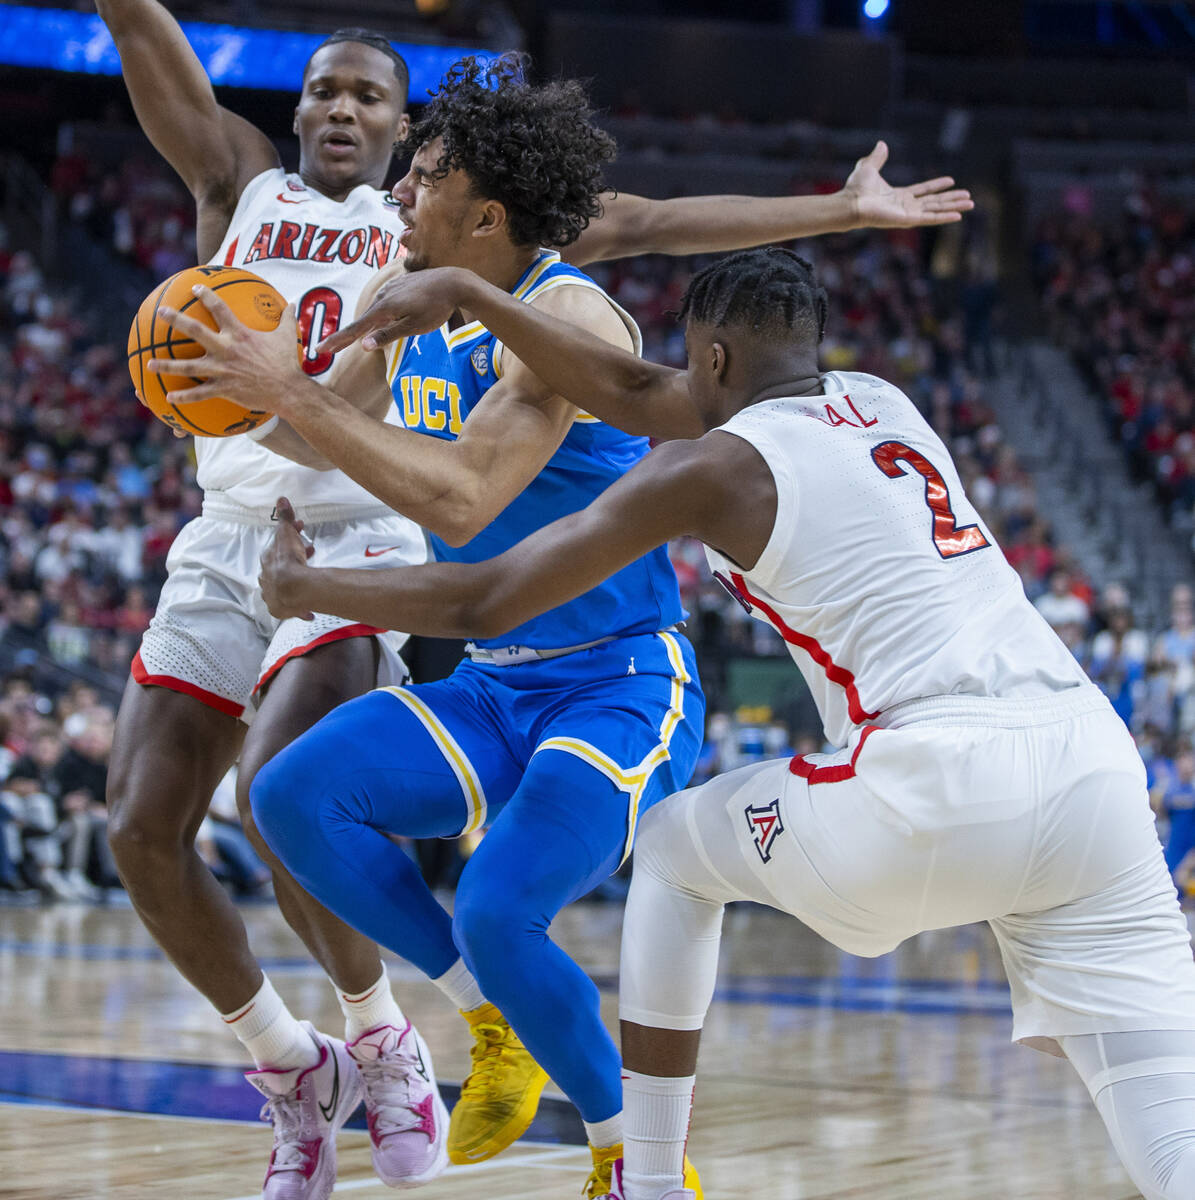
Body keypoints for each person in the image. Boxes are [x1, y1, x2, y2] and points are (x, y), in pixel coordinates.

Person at [100, 5, 972, 1195]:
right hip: (490, 671)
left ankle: (630, 1160)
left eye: (422, 167)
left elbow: (462, 501)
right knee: (291, 795)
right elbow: (320, 405)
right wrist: (243, 390)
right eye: (334, 104)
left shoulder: (560, 306)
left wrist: (837, 205)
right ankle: (478, 1016)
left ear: (483, 207)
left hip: (615, 677)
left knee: (505, 905)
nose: (399, 188)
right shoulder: (394, 280)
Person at [248, 247, 1195, 1200]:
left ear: (712, 360)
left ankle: (645, 1180)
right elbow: (627, 383)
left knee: (667, 848)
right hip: (1092, 768)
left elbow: (491, 597)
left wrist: (303, 584)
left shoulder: (711, 470)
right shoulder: (880, 399)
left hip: (935, 772)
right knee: (1172, 1139)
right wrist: (467, 294)